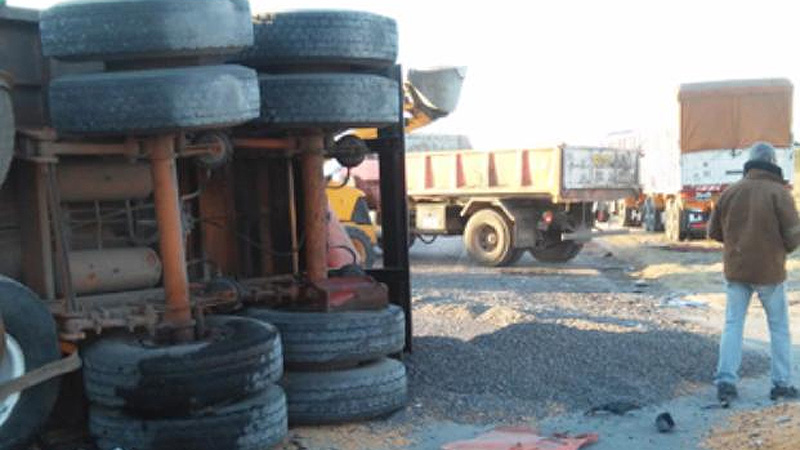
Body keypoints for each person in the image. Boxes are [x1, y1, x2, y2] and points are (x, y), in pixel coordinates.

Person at [708, 141, 800, 403]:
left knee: (733, 325)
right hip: (770, 272)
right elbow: (794, 237)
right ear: (772, 162)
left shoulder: (731, 192)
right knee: (779, 328)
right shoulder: (780, 193)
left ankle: (726, 382)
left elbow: (713, 232)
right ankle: (781, 385)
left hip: (736, 270)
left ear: (750, 162)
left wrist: (736, 243)